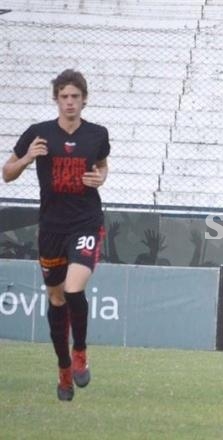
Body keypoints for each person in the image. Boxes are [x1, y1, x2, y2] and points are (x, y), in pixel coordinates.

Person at [2, 69, 110, 401]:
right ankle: (64, 368)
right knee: (56, 298)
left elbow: (102, 164)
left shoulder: (97, 134)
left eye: (75, 96)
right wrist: (27, 158)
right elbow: (7, 173)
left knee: (73, 287)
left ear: (84, 99)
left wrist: (100, 178)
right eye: (64, 96)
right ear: (56, 100)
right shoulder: (38, 133)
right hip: (51, 228)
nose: (69, 102)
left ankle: (80, 351)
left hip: (86, 222)